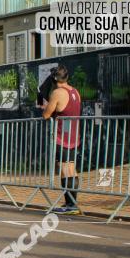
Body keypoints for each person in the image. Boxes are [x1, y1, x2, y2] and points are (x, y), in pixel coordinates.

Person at [43, 65, 82, 215]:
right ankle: (71, 203)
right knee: (71, 168)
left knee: (66, 169)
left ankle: (70, 205)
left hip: (62, 137)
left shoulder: (58, 93)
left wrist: (44, 105)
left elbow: (46, 115)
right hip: (74, 136)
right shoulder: (75, 92)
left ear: (54, 79)